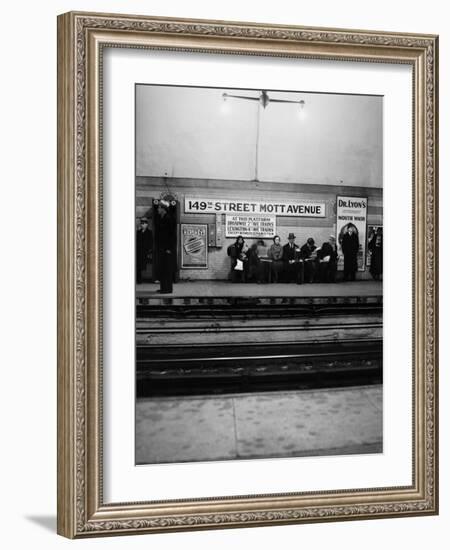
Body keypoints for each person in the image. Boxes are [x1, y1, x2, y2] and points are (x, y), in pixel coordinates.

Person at [155, 200, 176, 293]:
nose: (158, 209)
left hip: (167, 248)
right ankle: (163, 288)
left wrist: (169, 248)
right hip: (161, 247)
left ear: (163, 209)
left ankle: (168, 289)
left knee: (167, 269)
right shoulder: (161, 218)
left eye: (159, 207)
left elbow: (172, 235)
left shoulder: (169, 218)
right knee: (162, 268)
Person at [136, 217, 153, 284]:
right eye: (142, 223)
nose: (143, 225)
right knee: (138, 266)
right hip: (139, 251)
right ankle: (139, 280)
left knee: (144, 265)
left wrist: (149, 250)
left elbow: (150, 241)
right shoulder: (138, 232)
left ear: (147, 224)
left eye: (144, 223)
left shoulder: (149, 232)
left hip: (146, 251)